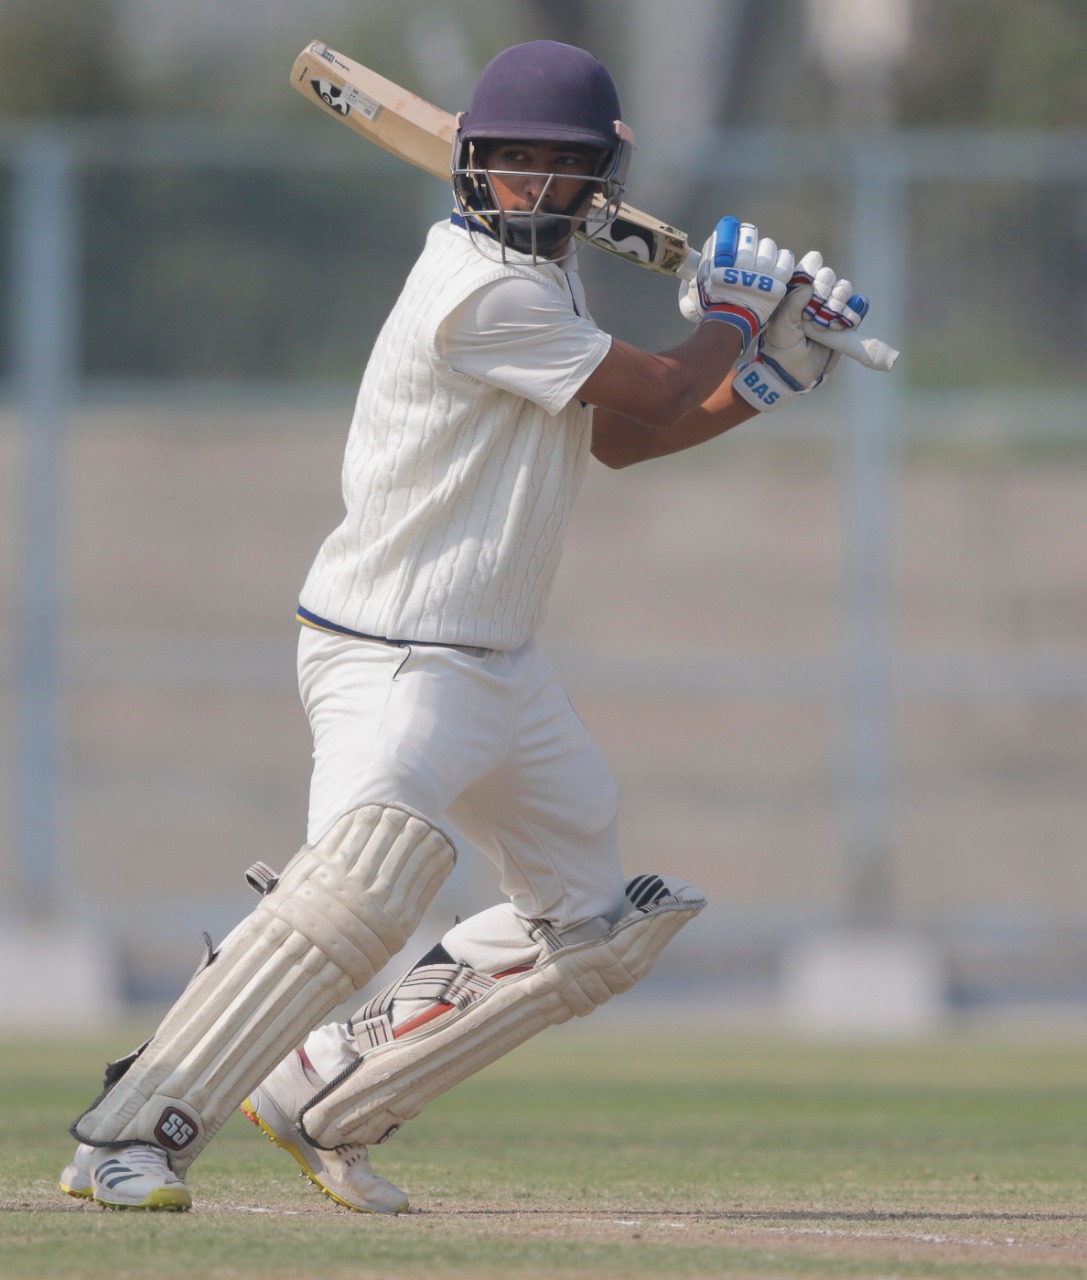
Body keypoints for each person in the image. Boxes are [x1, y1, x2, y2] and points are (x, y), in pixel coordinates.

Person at [59, 39, 868, 1214]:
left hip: (503, 669)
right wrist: (740, 315)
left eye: (559, 166)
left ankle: (321, 1087)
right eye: (509, 162)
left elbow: (625, 437)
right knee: (361, 887)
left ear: (600, 177)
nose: (530, 186)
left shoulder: (548, 283)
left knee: (589, 927)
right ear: (470, 166)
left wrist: (768, 368)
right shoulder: (474, 287)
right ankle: (130, 1131)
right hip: (392, 654)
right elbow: (647, 389)